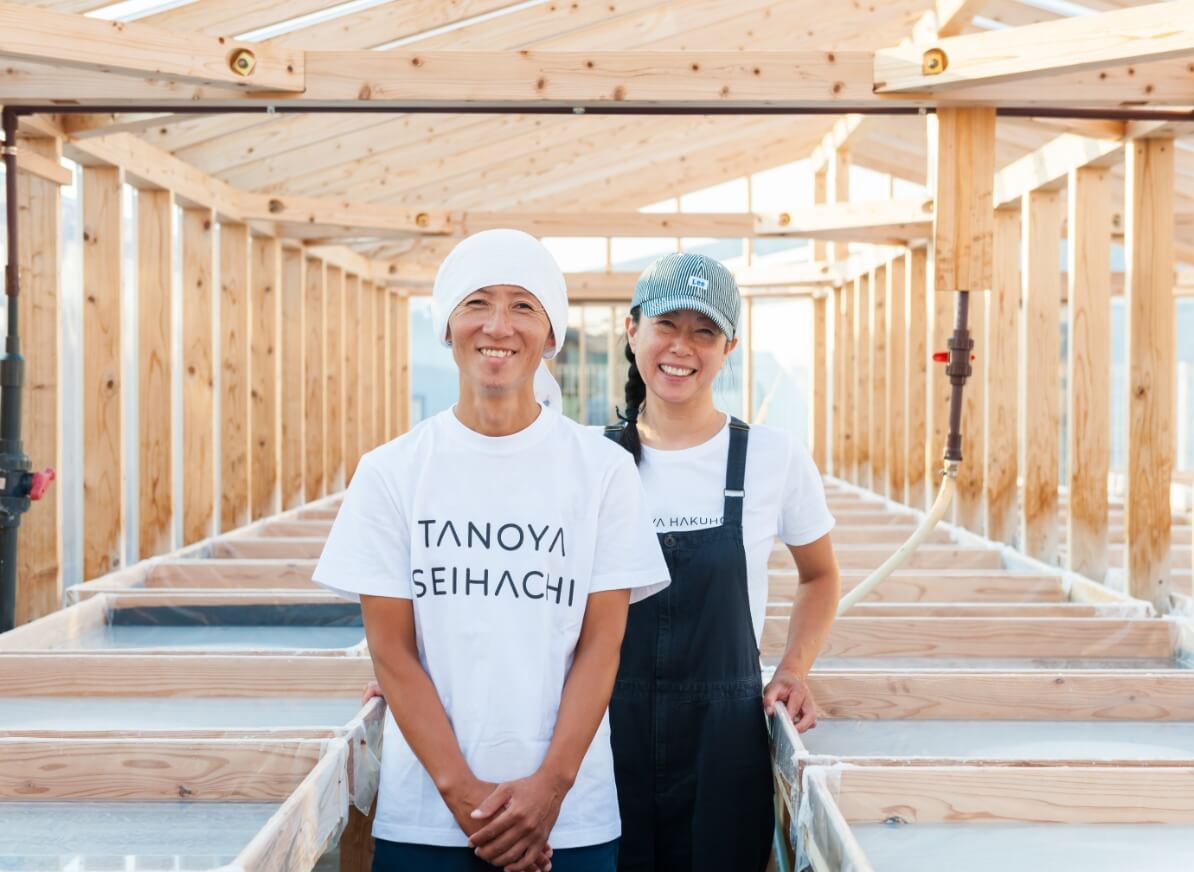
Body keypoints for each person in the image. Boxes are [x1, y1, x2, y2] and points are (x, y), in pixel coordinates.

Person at [314, 229, 670, 872]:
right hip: (426, 820)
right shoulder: (391, 472)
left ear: (551, 334)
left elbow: (602, 644)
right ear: (447, 325)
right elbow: (391, 650)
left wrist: (548, 793)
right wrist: (466, 799)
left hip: (571, 820)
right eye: (477, 302)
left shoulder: (602, 471)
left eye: (524, 306)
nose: (498, 326)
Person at [604, 252, 840, 872]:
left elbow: (819, 575)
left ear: (729, 345)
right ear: (633, 331)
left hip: (725, 746)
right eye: (666, 325)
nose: (682, 347)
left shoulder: (771, 455)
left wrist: (794, 667)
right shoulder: (589, 458)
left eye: (703, 331)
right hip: (602, 737)